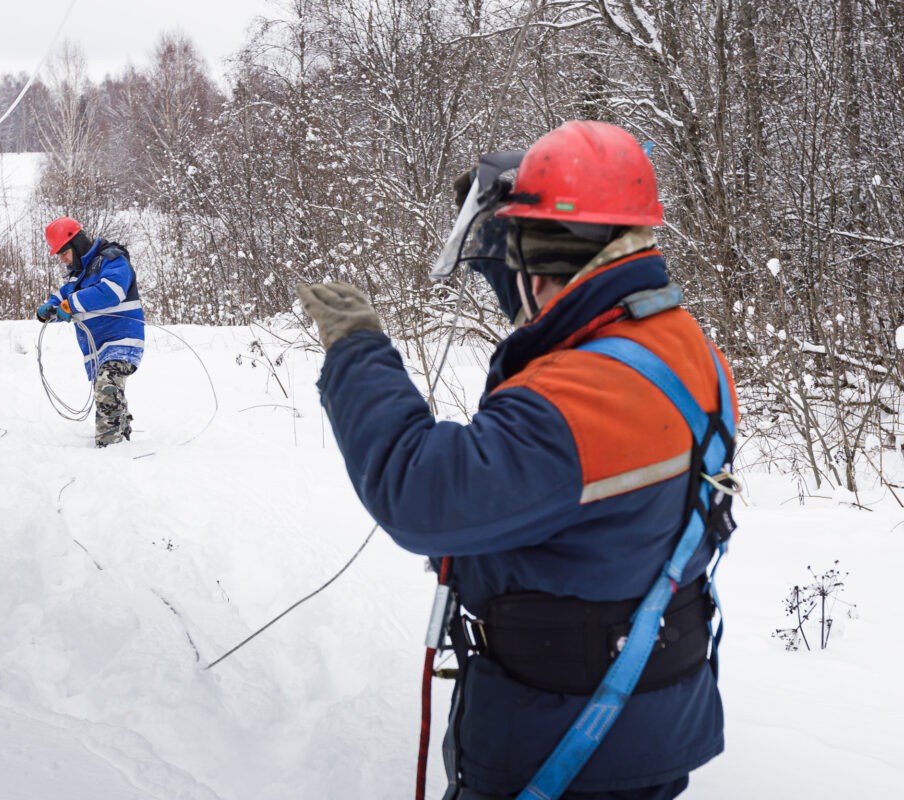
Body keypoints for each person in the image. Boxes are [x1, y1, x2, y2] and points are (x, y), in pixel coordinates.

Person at [295, 121, 739, 800]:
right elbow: (592, 502)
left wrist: (357, 350)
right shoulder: (678, 344)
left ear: (540, 261)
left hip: (565, 734)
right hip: (647, 711)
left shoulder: (583, 400)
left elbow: (422, 491)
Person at [37, 216, 145, 448]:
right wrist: (49, 307)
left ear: (77, 244)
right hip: (97, 349)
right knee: (107, 390)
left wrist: (70, 305)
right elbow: (63, 297)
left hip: (123, 339)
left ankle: (111, 448)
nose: (63, 259)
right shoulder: (77, 276)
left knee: (107, 385)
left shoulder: (112, 260)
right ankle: (120, 430)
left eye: (64, 252)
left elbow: (111, 291)